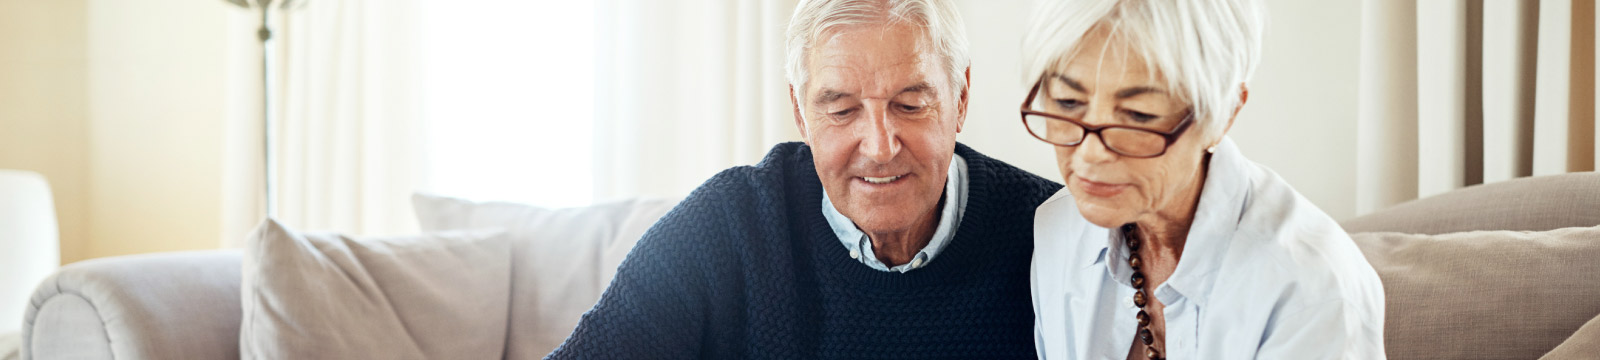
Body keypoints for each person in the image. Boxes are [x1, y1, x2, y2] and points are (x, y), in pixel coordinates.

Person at [545, 0, 1061, 358]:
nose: (880, 147)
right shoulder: (725, 228)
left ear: (961, 98)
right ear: (800, 111)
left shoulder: (1054, 236)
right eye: (840, 111)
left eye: (910, 104)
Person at [1021, 0, 1386, 359]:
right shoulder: (1059, 229)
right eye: (1068, 102)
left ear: (1223, 115)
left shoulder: (1310, 290)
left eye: (1138, 114)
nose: (1089, 154)